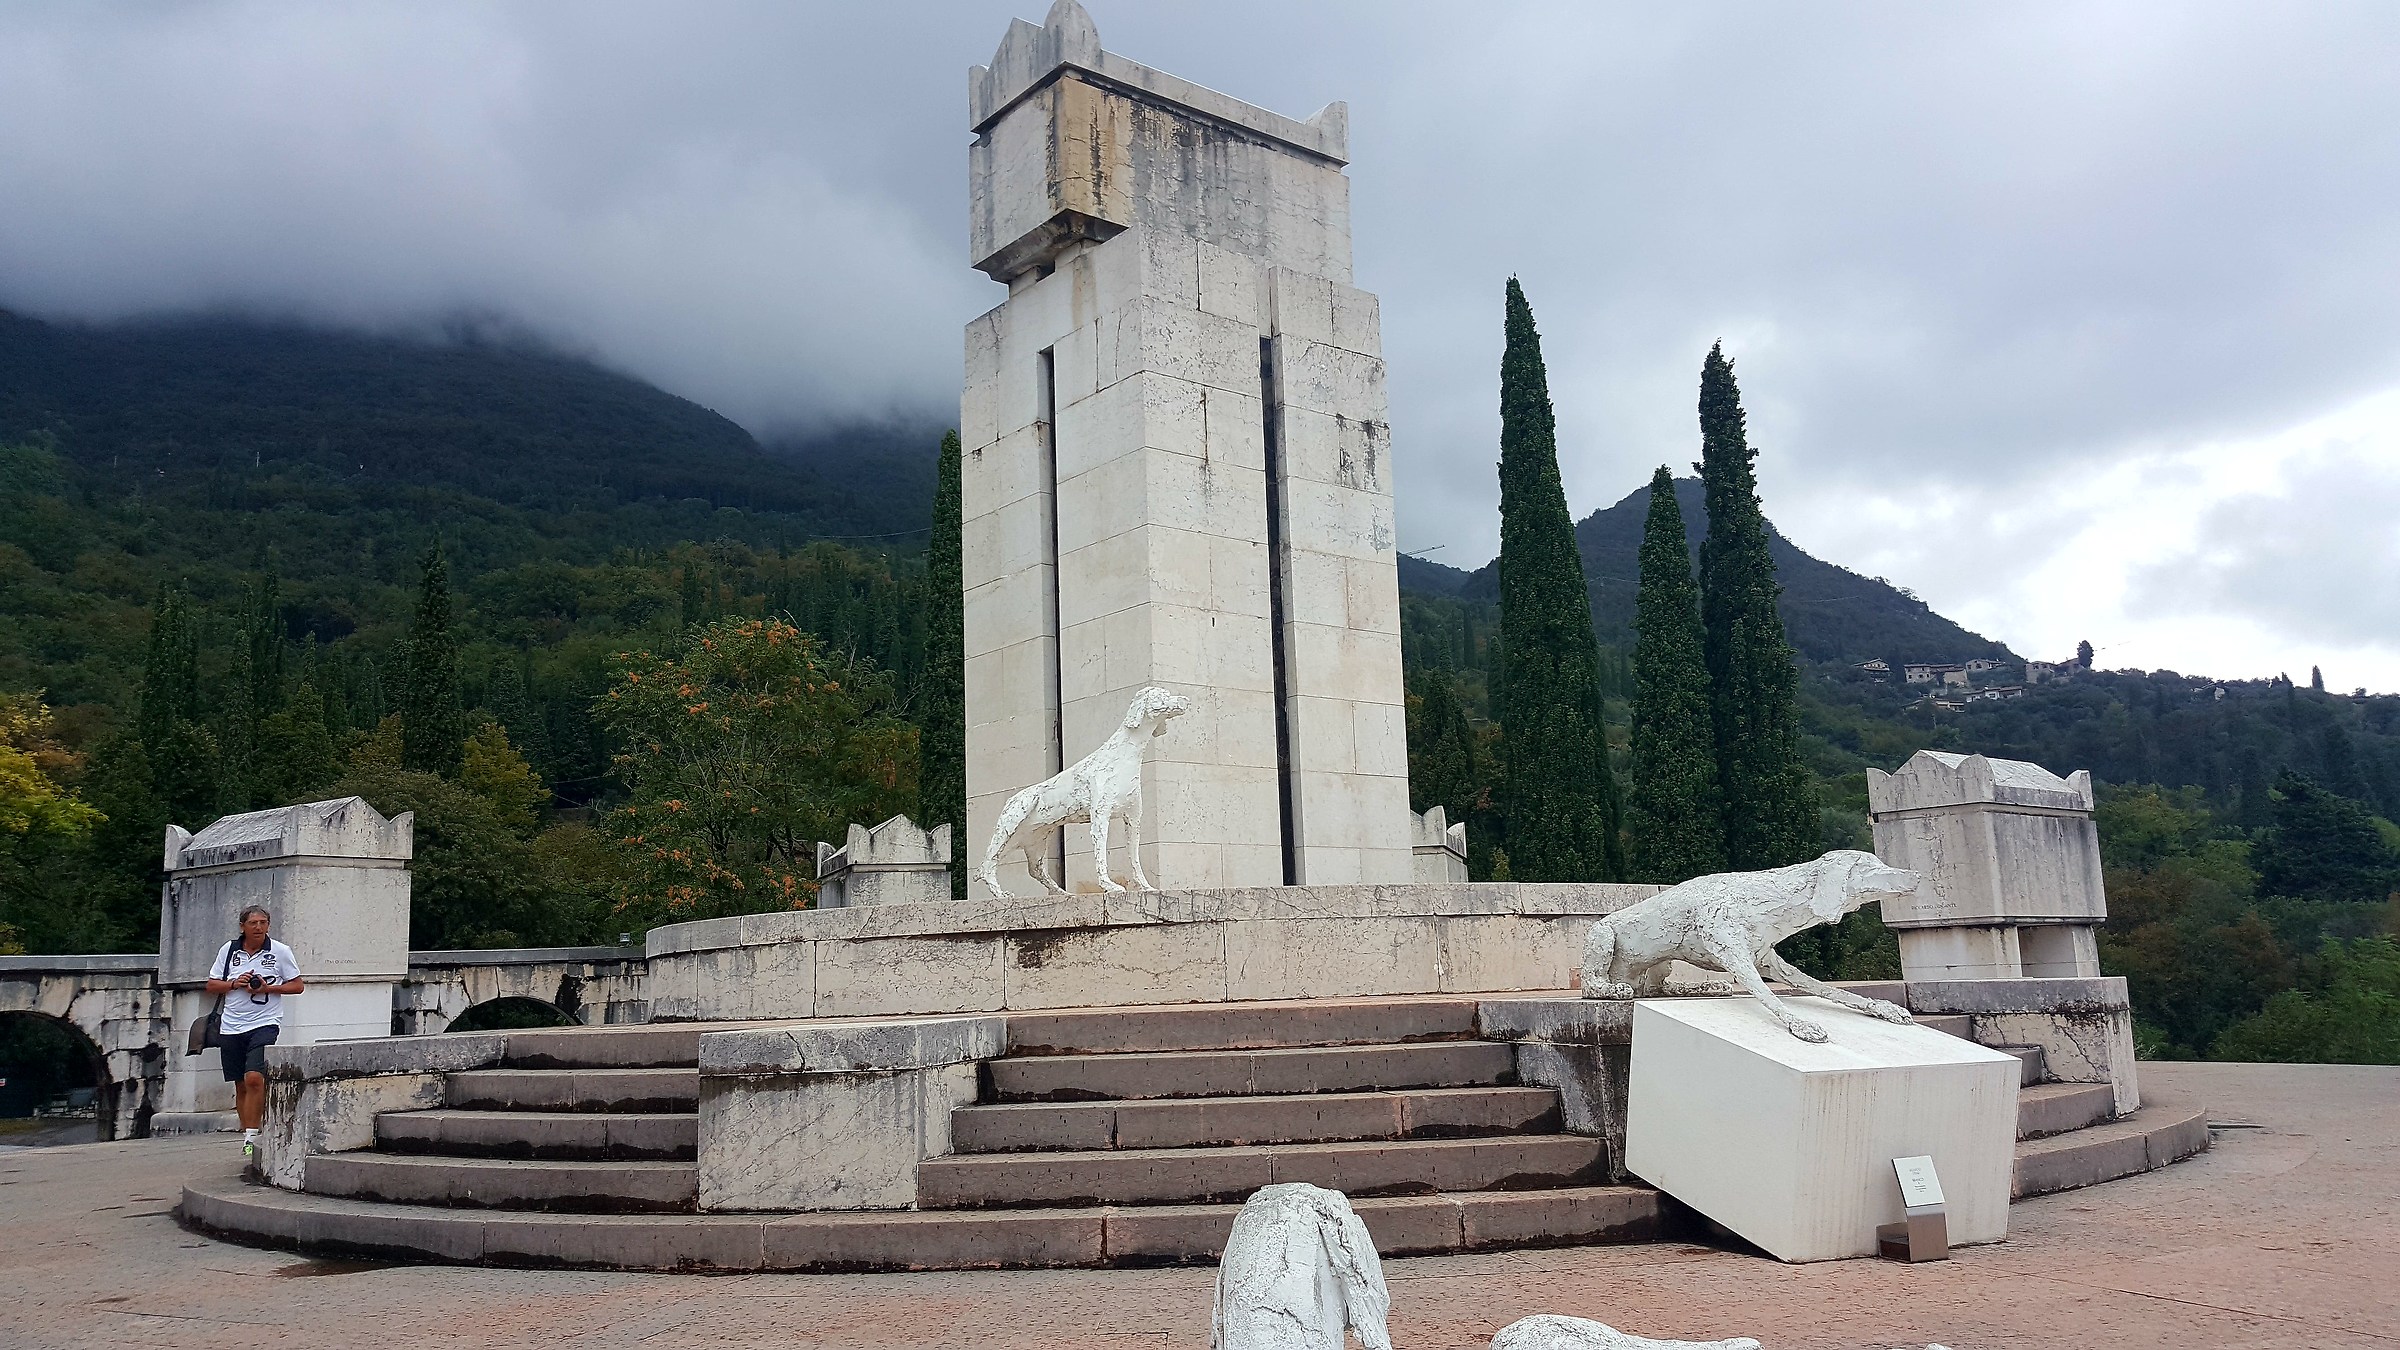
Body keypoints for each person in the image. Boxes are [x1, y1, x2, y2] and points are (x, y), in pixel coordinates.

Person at [204, 905, 304, 1157]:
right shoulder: (228, 951)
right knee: (240, 1083)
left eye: (263, 922)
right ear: (243, 926)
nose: (258, 927)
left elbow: (297, 986)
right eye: (253, 923)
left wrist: (267, 989)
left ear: (268, 925)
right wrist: (234, 983)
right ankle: (246, 1129)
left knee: (254, 1078)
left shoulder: (280, 951)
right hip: (231, 1024)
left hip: (265, 1021)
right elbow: (211, 985)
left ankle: (252, 1135)